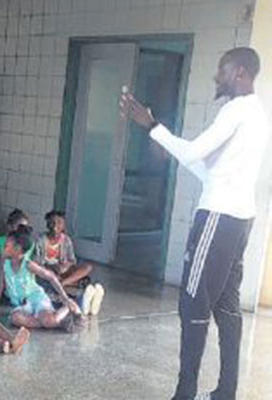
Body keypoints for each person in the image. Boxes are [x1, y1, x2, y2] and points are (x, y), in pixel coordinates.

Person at [120, 47, 268, 400]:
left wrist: (152, 125)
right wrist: (163, 140)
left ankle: (184, 394)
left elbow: (191, 153)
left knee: (193, 304)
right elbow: (206, 170)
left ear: (241, 73)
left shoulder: (235, 111)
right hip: (240, 218)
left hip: (217, 218)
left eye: (223, 69)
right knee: (227, 307)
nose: (218, 76)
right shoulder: (258, 114)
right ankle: (226, 391)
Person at [0, 226, 85, 332]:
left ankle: (70, 306)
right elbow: (0, 285)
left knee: (47, 320)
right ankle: (55, 323)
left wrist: (65, 298)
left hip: (37, 299)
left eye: (6, 246)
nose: (3, 249)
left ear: (17, 250)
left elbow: (51, 277)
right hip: (22, 305)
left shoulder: (28, 264)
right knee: (15, 319)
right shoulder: (3, 262)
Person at [37, 211, 104, 315]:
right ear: (47, 224)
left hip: (64, 272)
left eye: (59, 223)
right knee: (51, 278)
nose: (55, 227)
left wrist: (65, 266)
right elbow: (37, 264)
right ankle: (82, 298)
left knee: (87, 267)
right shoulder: (40, 240)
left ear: (63, 225)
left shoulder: (66, 240)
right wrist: (51, 267)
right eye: (52, 223)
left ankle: (63, 284)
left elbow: (72, 260)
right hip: (49, 273)